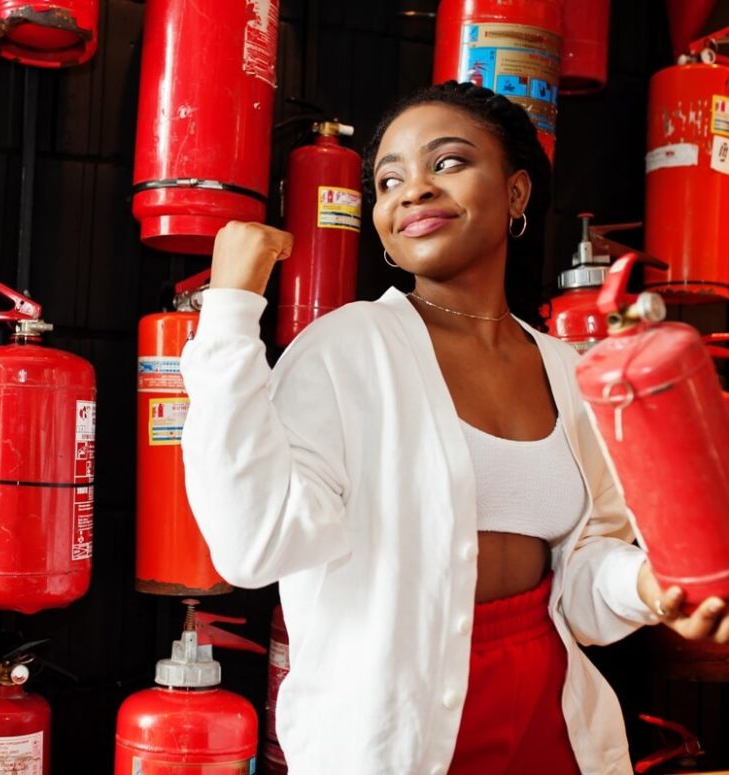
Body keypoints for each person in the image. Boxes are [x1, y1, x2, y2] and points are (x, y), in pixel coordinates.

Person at [179, 81, 729, 775]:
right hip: (393, 732)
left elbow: (585, 569)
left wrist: (649, 587)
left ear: (516, 193)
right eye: (388, 179)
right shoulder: (347, 348)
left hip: (550, 719)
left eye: (447, 163)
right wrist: (229, 308)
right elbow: (251, 543)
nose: (412, 190)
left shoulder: (569, 370)